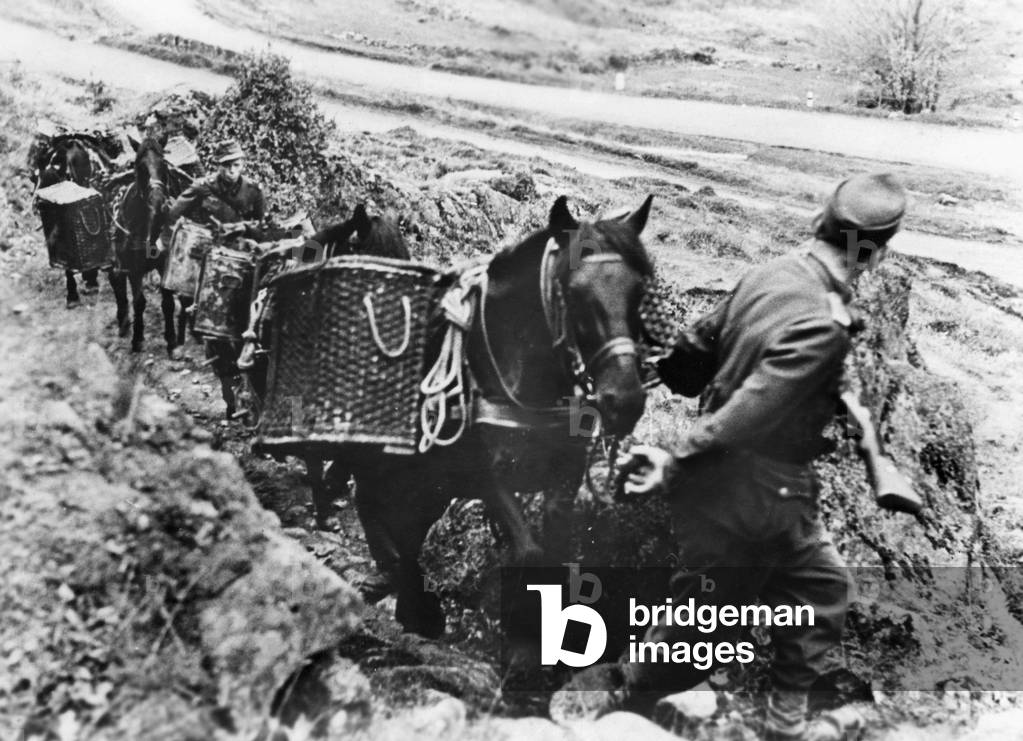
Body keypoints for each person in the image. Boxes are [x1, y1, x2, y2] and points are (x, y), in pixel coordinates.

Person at [578, 173, 908, 740]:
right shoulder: (822, 324)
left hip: (718, 493)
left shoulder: (769, 275)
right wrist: (674, 458)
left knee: (717, 612)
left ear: (821, 222)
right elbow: (753, 409)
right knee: (814, 592)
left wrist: (669, 371)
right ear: (873, 253)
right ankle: (771, 724)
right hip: (761, 494)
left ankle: (627, 691)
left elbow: (693, 352)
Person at [167, 139, 266, 419]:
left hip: (246, 262)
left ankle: (253, 395)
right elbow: (176, 213)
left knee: (253, 322)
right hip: (213, 263)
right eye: (227, 165)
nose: (233, 170)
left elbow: (262, 226)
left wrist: (242, 227)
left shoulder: (254, 191)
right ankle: (230, 399)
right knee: (215, 332)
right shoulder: (203, 188)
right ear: (218, 166)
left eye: (237, 164)